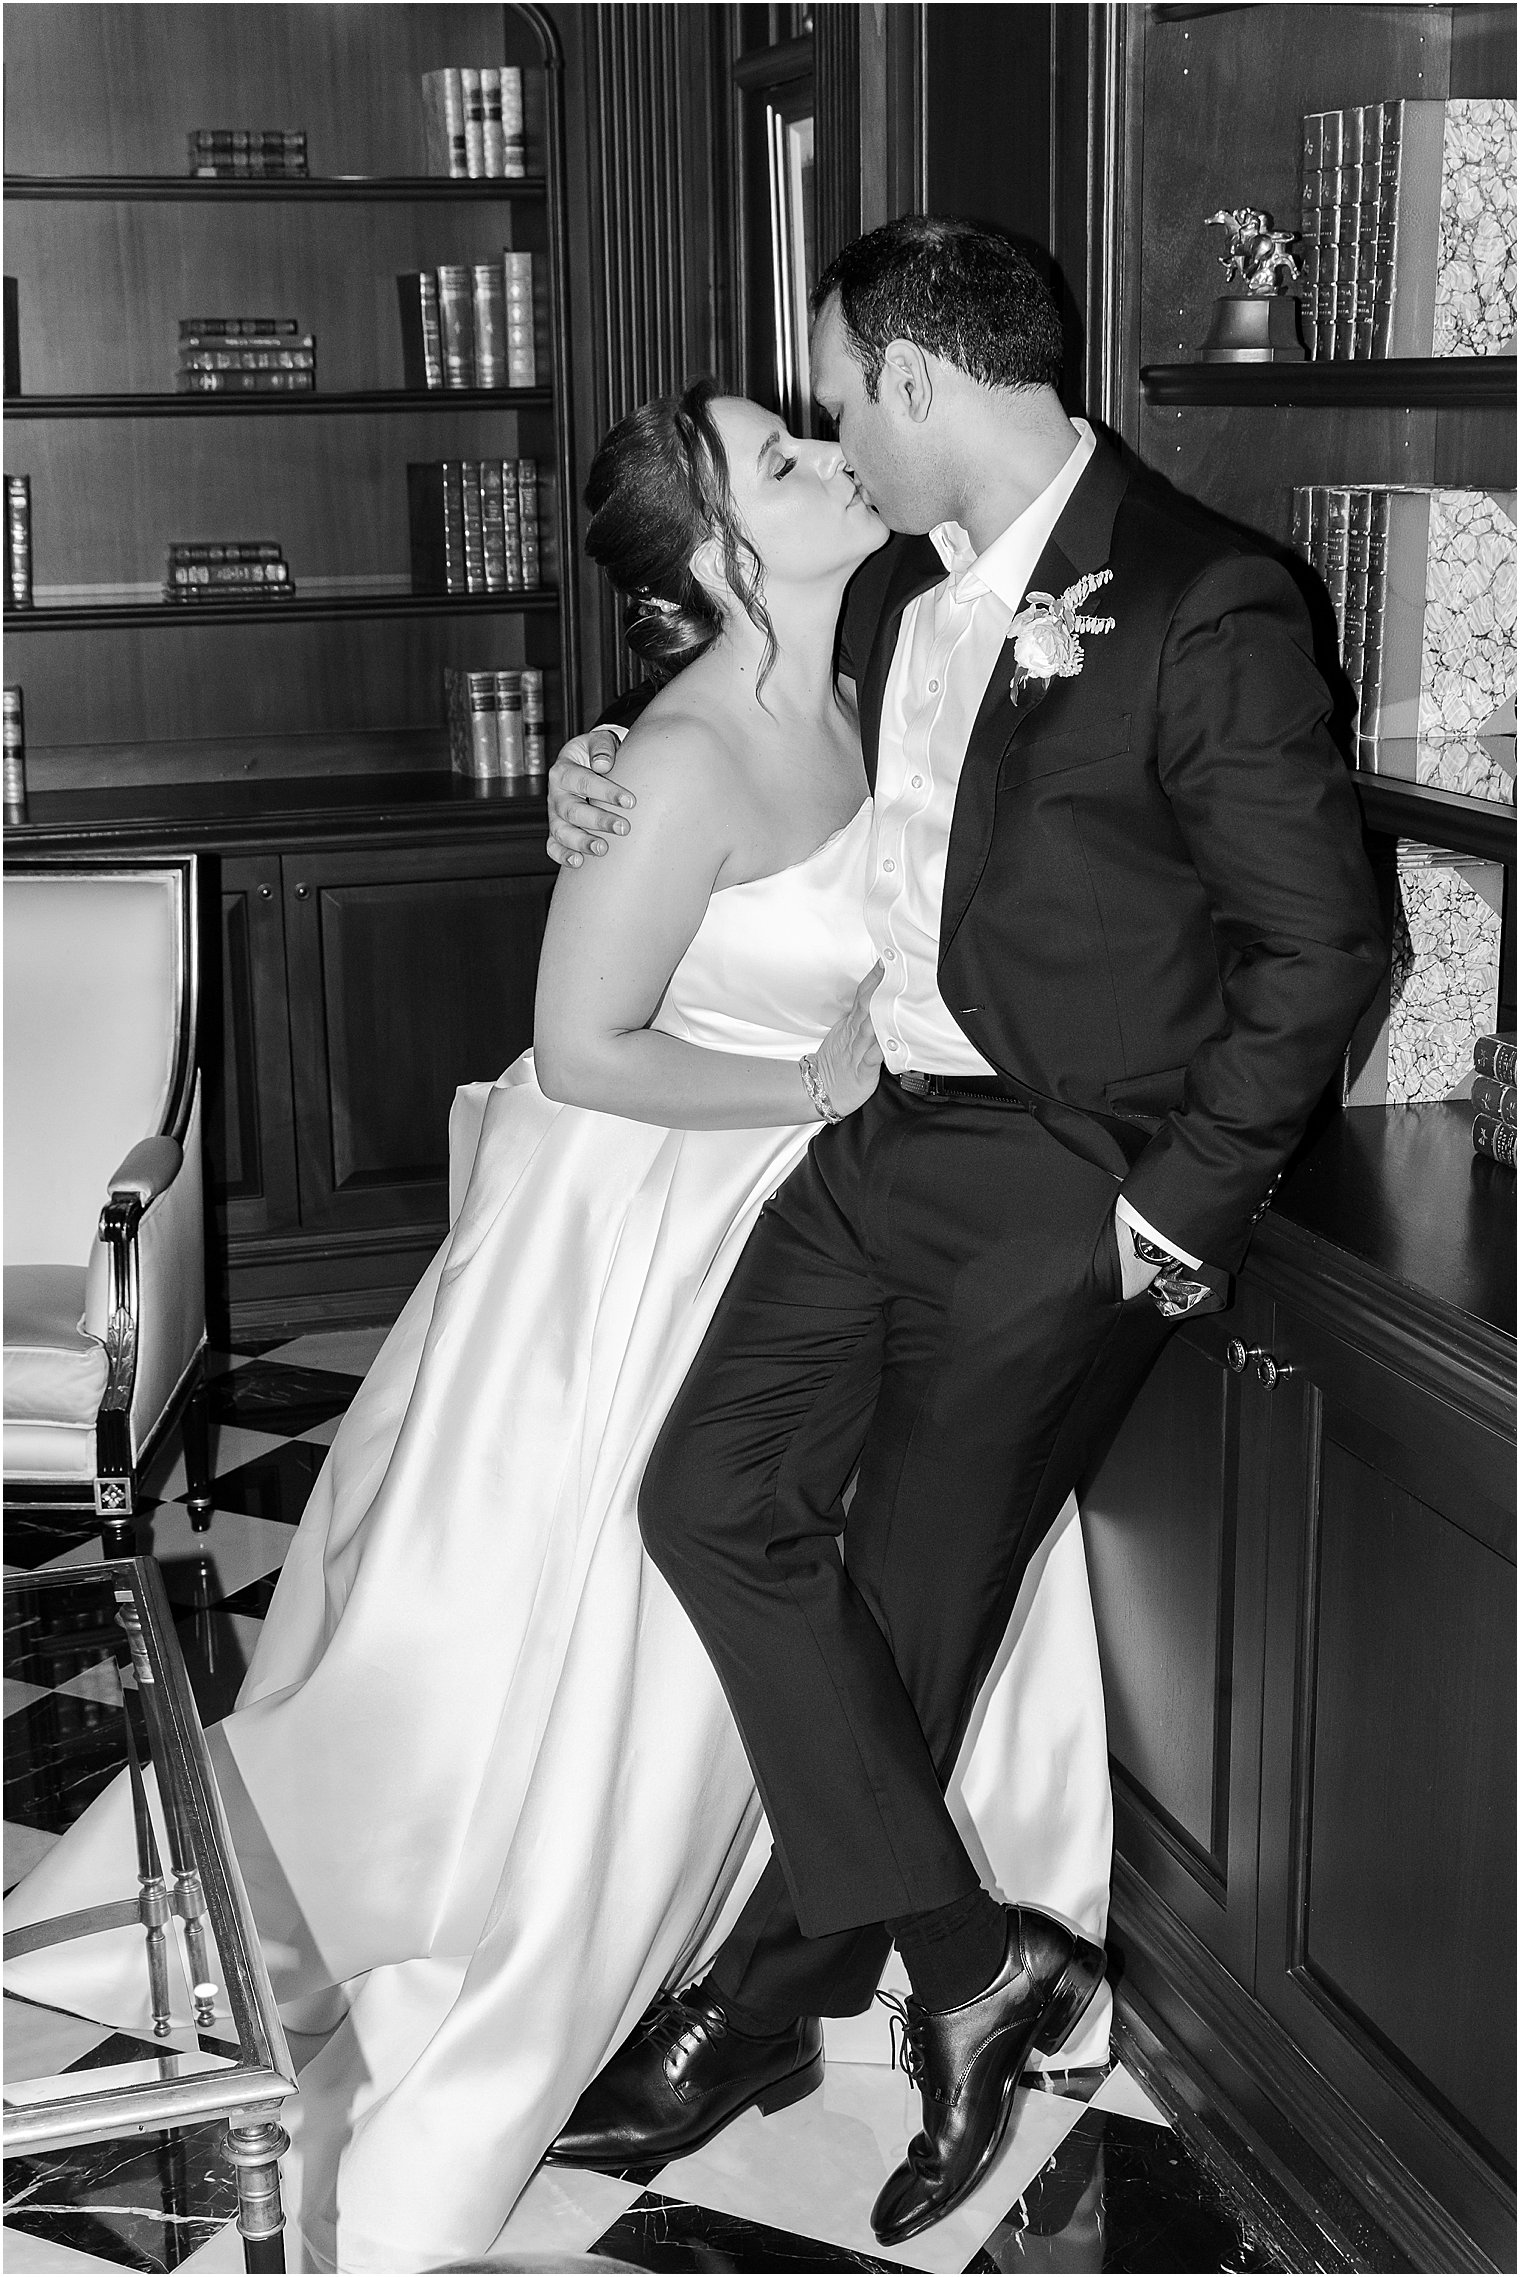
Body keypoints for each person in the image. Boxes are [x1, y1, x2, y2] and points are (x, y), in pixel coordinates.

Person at [4, 378, 1116, 2275]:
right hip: (661, 1209)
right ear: (716, 556)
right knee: (616, 1623)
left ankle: (819, 1936)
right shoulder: (670, 761)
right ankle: (706, 1947)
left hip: (856, 1215)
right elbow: (593, 1050)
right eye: (783, 459)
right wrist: (812, 1098)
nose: (832, 457)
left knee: (850, 1578)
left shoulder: (882, 672)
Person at [542, 215, 1387, 2247]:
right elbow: (748, 728)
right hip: (869, 1141)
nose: (839, 426)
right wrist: (595, 770)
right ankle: (970, 1964)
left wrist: (1163, 1215)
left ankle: (767, 1997)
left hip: (1060, 1191)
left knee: (906, 1620)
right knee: (706, 1496)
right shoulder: (899, 589)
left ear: (918, 384)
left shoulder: (1206, 600)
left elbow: (1323, 940)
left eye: (845, 389)